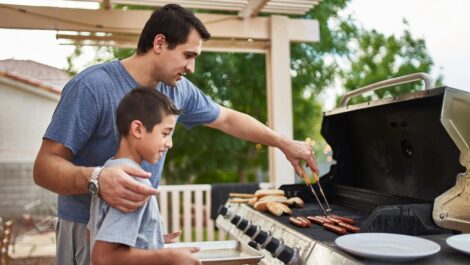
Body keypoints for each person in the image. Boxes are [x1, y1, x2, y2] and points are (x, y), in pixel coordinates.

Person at [33, 3, 318, 265]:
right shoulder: (91, 87)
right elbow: (44, 168)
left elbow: (228, 119)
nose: (191, 68)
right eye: (188, 55)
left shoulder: (176, 90)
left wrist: (282, 143)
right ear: (159, 43)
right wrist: (97, 179)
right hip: (85, 231)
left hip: (131, 237)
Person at [89, 87, 199, 265]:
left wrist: (151, 239)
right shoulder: (133, 181)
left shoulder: (110, 170)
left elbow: (92, 234)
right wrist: (169, 257)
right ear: (138, 129)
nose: (170, 143)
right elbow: (103, 257)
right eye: (165, 133)